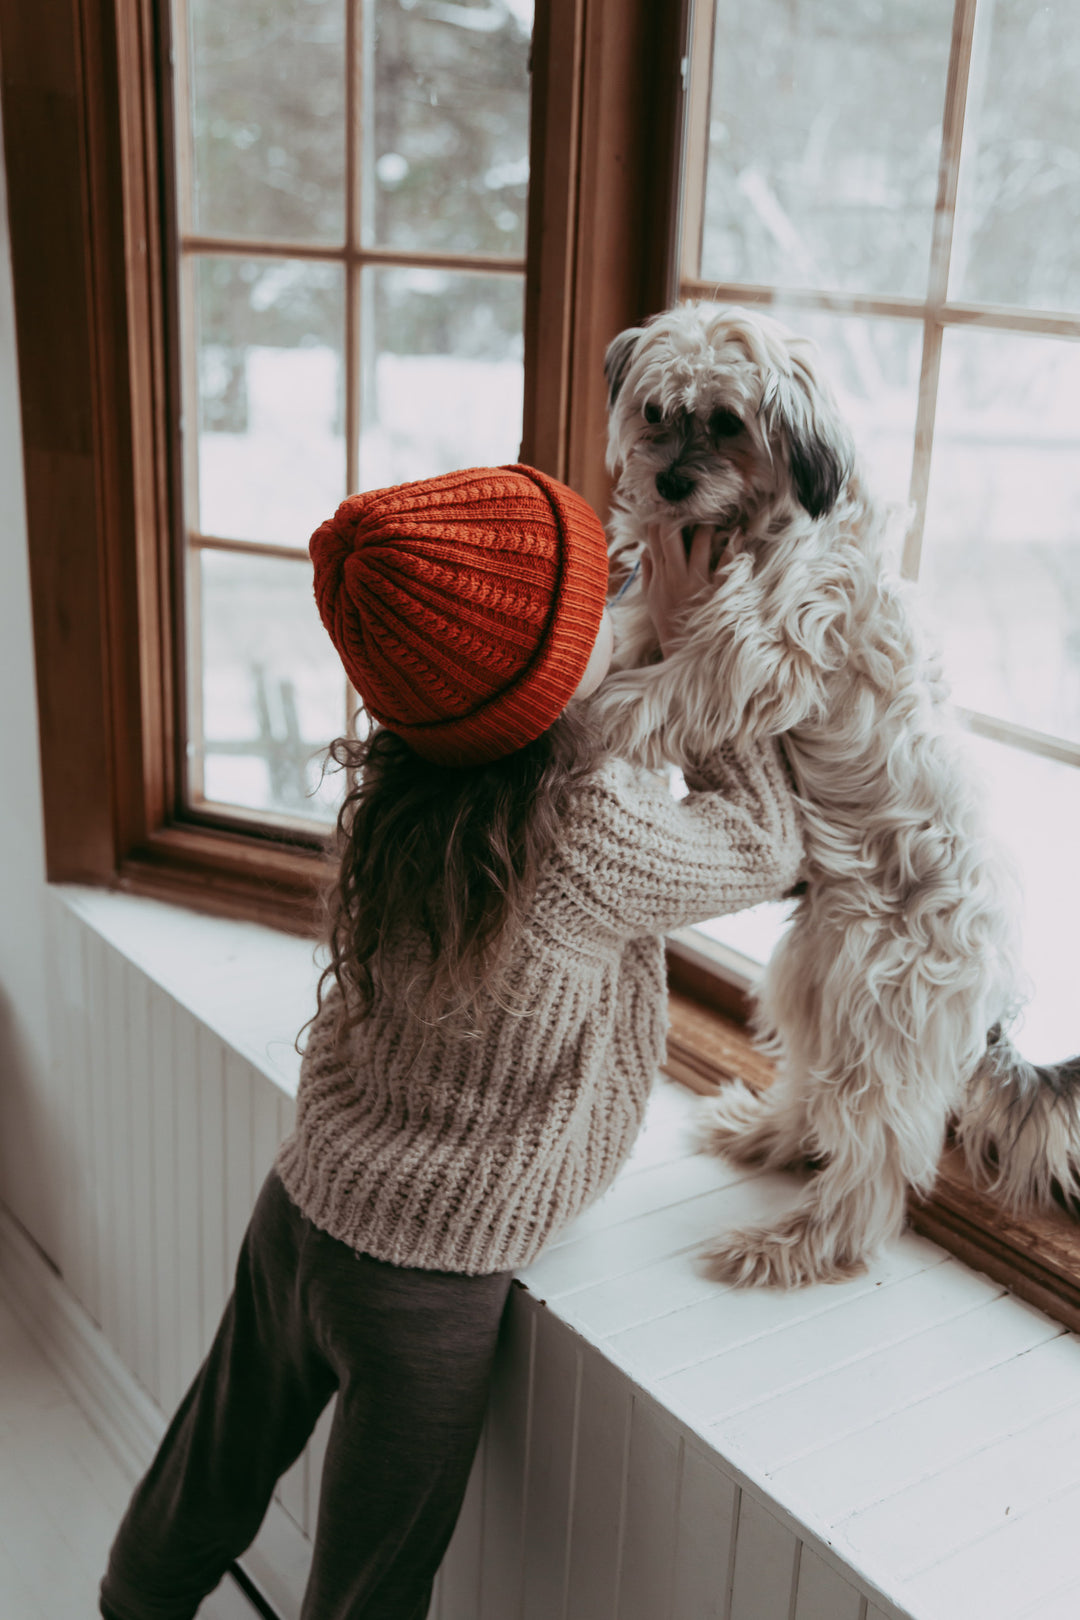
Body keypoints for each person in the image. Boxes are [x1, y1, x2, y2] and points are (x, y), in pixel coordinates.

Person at [99, 464, 804, 1620]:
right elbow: (766, 840)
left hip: (306, 1202)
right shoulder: (586, 838)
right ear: (544, 686)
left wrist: (633, 658)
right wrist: (692, 644)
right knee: (369, 1589)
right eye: (596, 610)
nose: (622, 598)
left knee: (209, 1464)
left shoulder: (413, 777)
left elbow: (563, 736)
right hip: (425, 1289)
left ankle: (129, 1603)